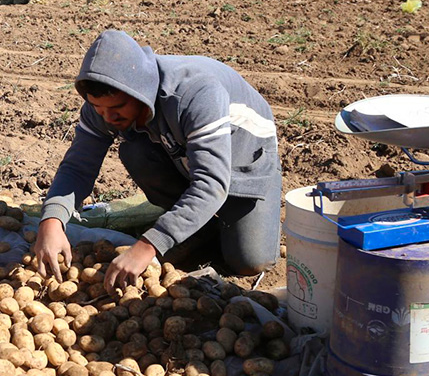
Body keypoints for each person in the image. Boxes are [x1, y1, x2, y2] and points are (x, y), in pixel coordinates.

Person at [34, 30, 281, 289]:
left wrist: (148, 245)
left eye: (117, 109)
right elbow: (78, 167)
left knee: (249, 260)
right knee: (137, 154)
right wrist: (51, 221)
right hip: (181, 150)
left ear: (139, 92)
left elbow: (212, 184)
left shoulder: (194, 96)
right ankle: (198, 227)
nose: (107, 117)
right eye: (98, 108)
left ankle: (199, 224)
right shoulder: (104, 103)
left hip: (245, 159)